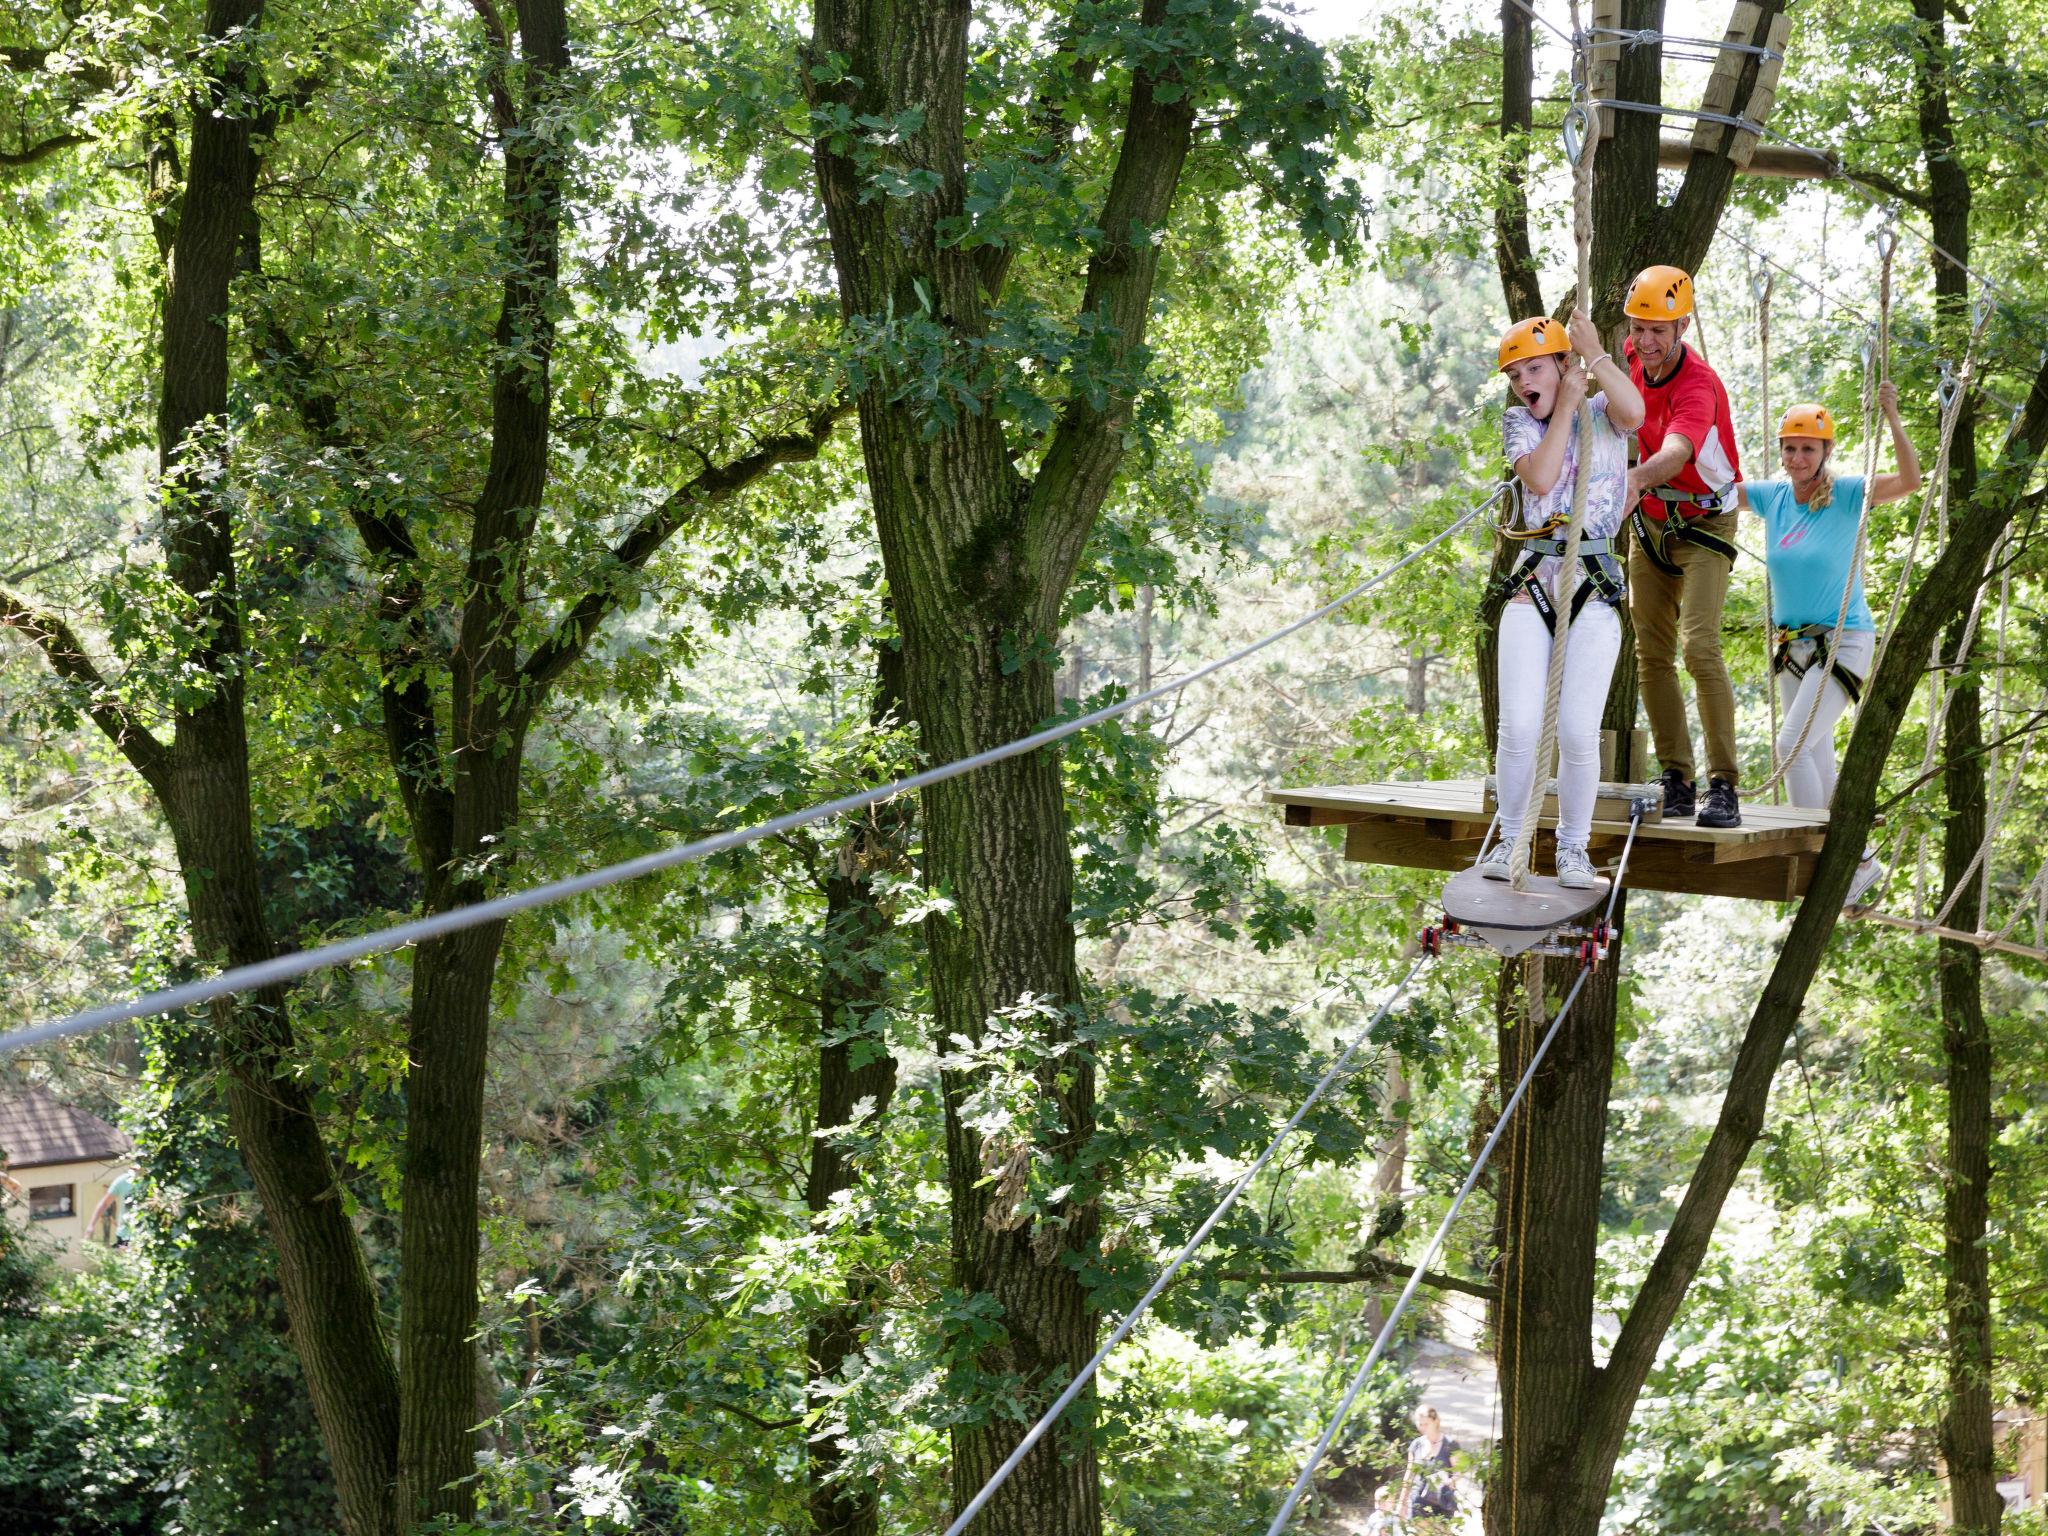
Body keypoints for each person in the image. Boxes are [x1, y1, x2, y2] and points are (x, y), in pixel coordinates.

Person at [1479, 308, 1646, 890]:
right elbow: (1543, 480)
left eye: (1535, 370)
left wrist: (1596, 357)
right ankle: (1512, 837)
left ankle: (1573, 848)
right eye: (1515, 374)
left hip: (1594, 588)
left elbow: (1636, 412)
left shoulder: (1605, 415)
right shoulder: (1519, 426)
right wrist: (1566, 406)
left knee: (1577, 732)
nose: (1524, 383)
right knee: (1519, 728)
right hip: (1536, 585)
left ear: (1561, 365)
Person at [1737, 383, 1922, 907]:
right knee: (1813, 750)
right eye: (1790, 448)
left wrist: (1892, 415)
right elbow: (1717, 487)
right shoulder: (1773, 497)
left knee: (1790, 745)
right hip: (1793, 648)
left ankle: (1828, 858)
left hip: (1843, 642)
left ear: (1825, 454)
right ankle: (1857, 861)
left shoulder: (1846, 494)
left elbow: (1911, 480)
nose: (1797, 458)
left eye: (1808, 449)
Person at [1623, 264, 1747, 829]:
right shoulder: (1629, 359)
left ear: (1682, 328)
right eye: (1639, 328)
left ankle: (1723, 785)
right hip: (1650, 524)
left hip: (1704, 525)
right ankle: (1677, 776)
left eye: (1659, 330)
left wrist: (1629, 481)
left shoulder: (1699, 383)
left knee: (1699, 647)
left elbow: (1676, 452)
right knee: (1651, 653)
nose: (1646, 342)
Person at [1398, 1404, 1461, 1524]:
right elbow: (1409, 1474)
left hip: (1442, 1504)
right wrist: (1402, 1502)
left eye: (1426, 1424)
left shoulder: (1450, 1444)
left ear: (1435, 1421)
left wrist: (1450, 1481)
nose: (1422, 1428)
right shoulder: (1416, 1445)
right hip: (1418, 1502)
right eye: (1420, 1424)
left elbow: (1459, 1471)